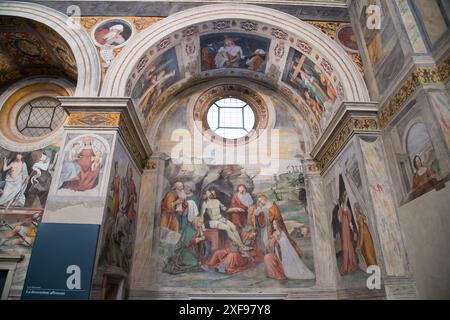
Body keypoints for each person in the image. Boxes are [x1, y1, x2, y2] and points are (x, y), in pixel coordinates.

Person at [337, 185, 358, 274]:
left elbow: (349, 219)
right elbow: (339, 218)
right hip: (343, 228)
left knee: (349, 244)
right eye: (346, 197)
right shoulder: (341, 207)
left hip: (347, 228)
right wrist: (341, 214)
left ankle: (351, 264)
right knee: (345, 245)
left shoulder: (347, 207)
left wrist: (352, 226)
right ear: (344, 198)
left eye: (348, 198)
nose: (347, 199)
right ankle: (346, 265)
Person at [354, 202, 377, 267]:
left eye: (355, 208)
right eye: (355, 208)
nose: (355, 210)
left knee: (368, 251)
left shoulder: (360, 216)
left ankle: (374, 266)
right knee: (366, 251)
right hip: (364, 231)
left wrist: (360, 243)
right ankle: (372, 267)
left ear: (357, 208)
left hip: (365, 233)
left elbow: (361, 228)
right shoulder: (359, 215)